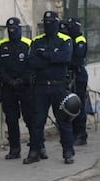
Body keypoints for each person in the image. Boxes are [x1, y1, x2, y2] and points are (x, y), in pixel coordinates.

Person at [24, 11, 74, 165]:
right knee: (37, 121)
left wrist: (45, 55)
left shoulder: (65, 39)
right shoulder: (37, 41)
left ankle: (68, 152)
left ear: (56, 23)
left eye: (50, 21)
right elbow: (31, 62)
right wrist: (52, 57)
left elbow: (65, 58)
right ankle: (35, 151)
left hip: (58, 86)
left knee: (63, 121)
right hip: (40, 87)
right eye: (45, 21)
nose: (47, 24)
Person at [0, 17, 34, 160]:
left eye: (14, 29)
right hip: (9, 87)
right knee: (11, 119)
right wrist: (10, 81)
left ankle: (37, 147)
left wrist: (22, 80)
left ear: (19, 29)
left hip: (25, 87)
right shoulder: (2, 45)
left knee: (30, 117)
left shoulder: (28, 44)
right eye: (9, 29)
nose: (12, 31)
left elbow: (32, 65)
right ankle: (14, 149)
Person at [66, 18, 89, 146]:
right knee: (70, 105)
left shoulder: (80, 40)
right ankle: (73, 133)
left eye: (71, 26)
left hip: (78, 76)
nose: (69, 29)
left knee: (78, 105)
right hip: (70, 76)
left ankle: (81, 134)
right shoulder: (69, 40)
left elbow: (76, 60)